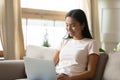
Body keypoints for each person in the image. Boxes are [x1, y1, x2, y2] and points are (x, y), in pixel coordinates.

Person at [53, 9, 99, 80]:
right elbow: (51, 64)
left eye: (73, 25)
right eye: (67, 25)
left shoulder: (91, 43)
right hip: (56, 76)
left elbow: (91, 73)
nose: (69, 29)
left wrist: (69, 78)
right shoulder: (64, 41)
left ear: (82, 25)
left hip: (71, 78)